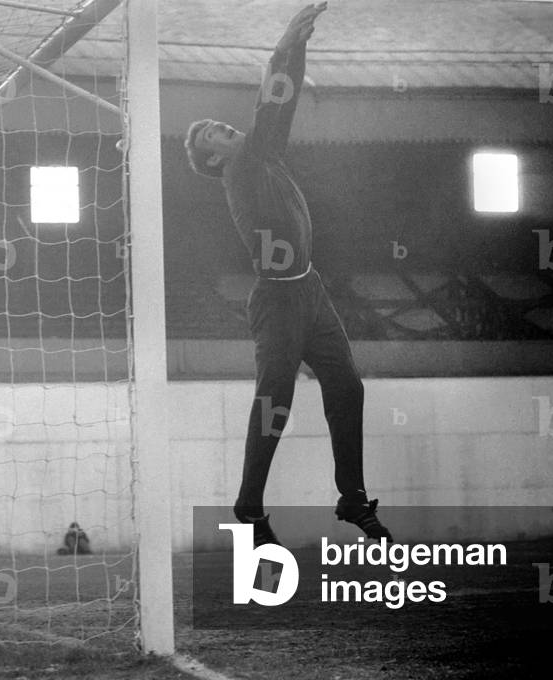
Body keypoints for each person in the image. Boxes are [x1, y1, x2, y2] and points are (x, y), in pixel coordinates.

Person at [184, 2, 392, 547]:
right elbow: (272, 101)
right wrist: (285, 43)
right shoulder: (243, 168)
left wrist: (296, 47)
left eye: (217, 126)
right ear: (215, 161)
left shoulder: (265, 158)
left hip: (310, 290)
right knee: (275, 402)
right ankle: (249, 508)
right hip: (276, 302)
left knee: (347, 388)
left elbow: (282, 101)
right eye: (212, 136)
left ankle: (351, 499)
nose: (222, 129)